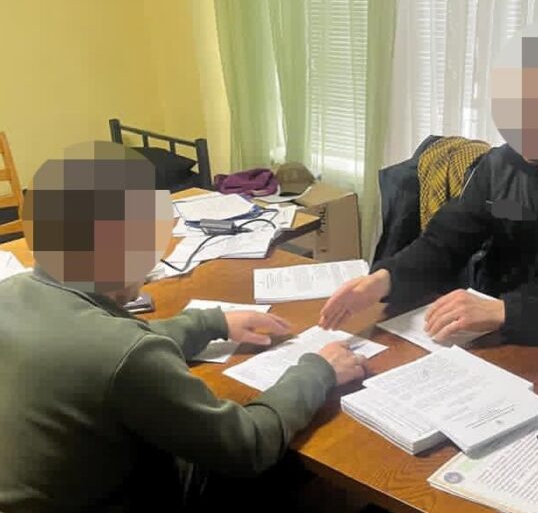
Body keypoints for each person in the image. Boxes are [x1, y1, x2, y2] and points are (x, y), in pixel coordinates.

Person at [0, 142, 368, 513]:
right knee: (290, 459)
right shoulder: (122, 353)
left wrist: (212, 322)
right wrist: (318, 371)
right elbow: (249, 445)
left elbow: (102, 352)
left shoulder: (11, 293)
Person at [320, 29, 538, 350]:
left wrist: (506, 312)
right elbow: (443, 243)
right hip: (504, 338)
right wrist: (385, 278)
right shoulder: (501, 165)